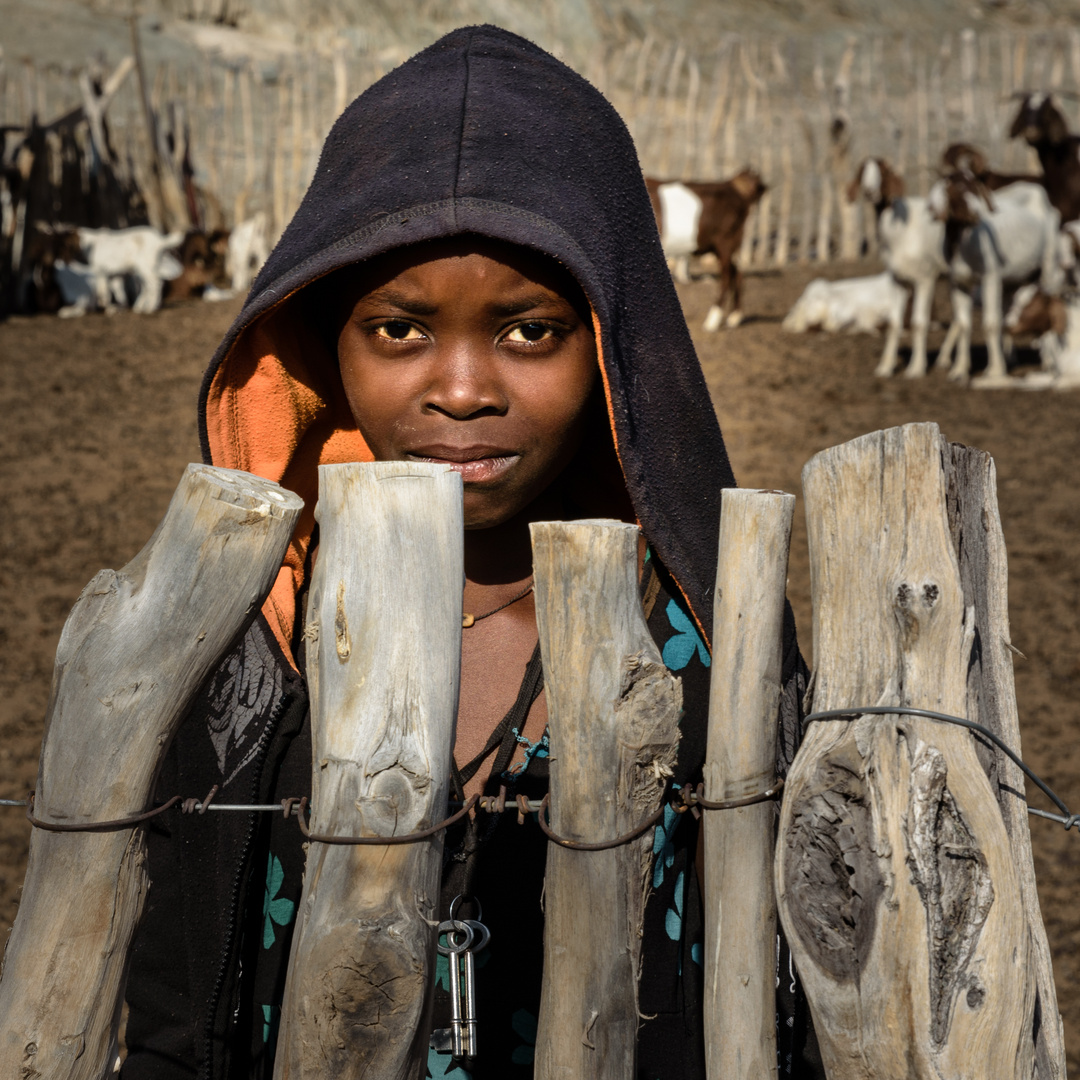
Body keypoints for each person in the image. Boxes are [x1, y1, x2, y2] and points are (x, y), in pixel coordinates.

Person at [121, 24, 819, 1079]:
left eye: (529, 330)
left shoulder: (707, 654)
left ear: (614, 341)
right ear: (320, 342)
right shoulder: (252, 647)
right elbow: (176, 1009)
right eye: (399, 329)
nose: (461, 388)